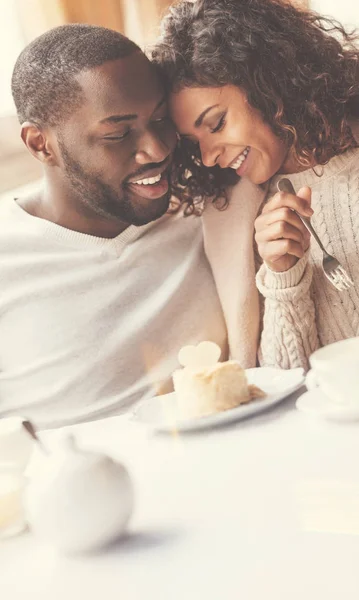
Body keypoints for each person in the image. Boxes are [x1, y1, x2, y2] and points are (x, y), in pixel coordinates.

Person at [1, 23, 262, 429]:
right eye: (118, 134)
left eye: (161, 119)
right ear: (40, 144)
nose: (157, 149)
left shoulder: (213, 202)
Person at [152, 0, 359, 370]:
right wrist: (283, 273)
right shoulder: (237, 216)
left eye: (216, 124)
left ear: (270, 83)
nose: (210, 156)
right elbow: (281, 378)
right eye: (193, 143)